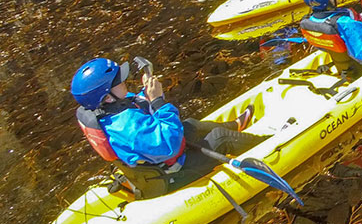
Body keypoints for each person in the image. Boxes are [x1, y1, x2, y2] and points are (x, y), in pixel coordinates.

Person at [71, 58, 252, 197]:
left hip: (158, 159)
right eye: (118, 81)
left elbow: (139, 104)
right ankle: (273, 141)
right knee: (220, 138)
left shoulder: (111, 110)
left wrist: (150, 91)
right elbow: (169, 146)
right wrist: (158, 101)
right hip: (170, 174)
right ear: (108, 97)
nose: (124, 80)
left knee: (190, 124)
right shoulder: (128, 128)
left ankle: (235, 125)